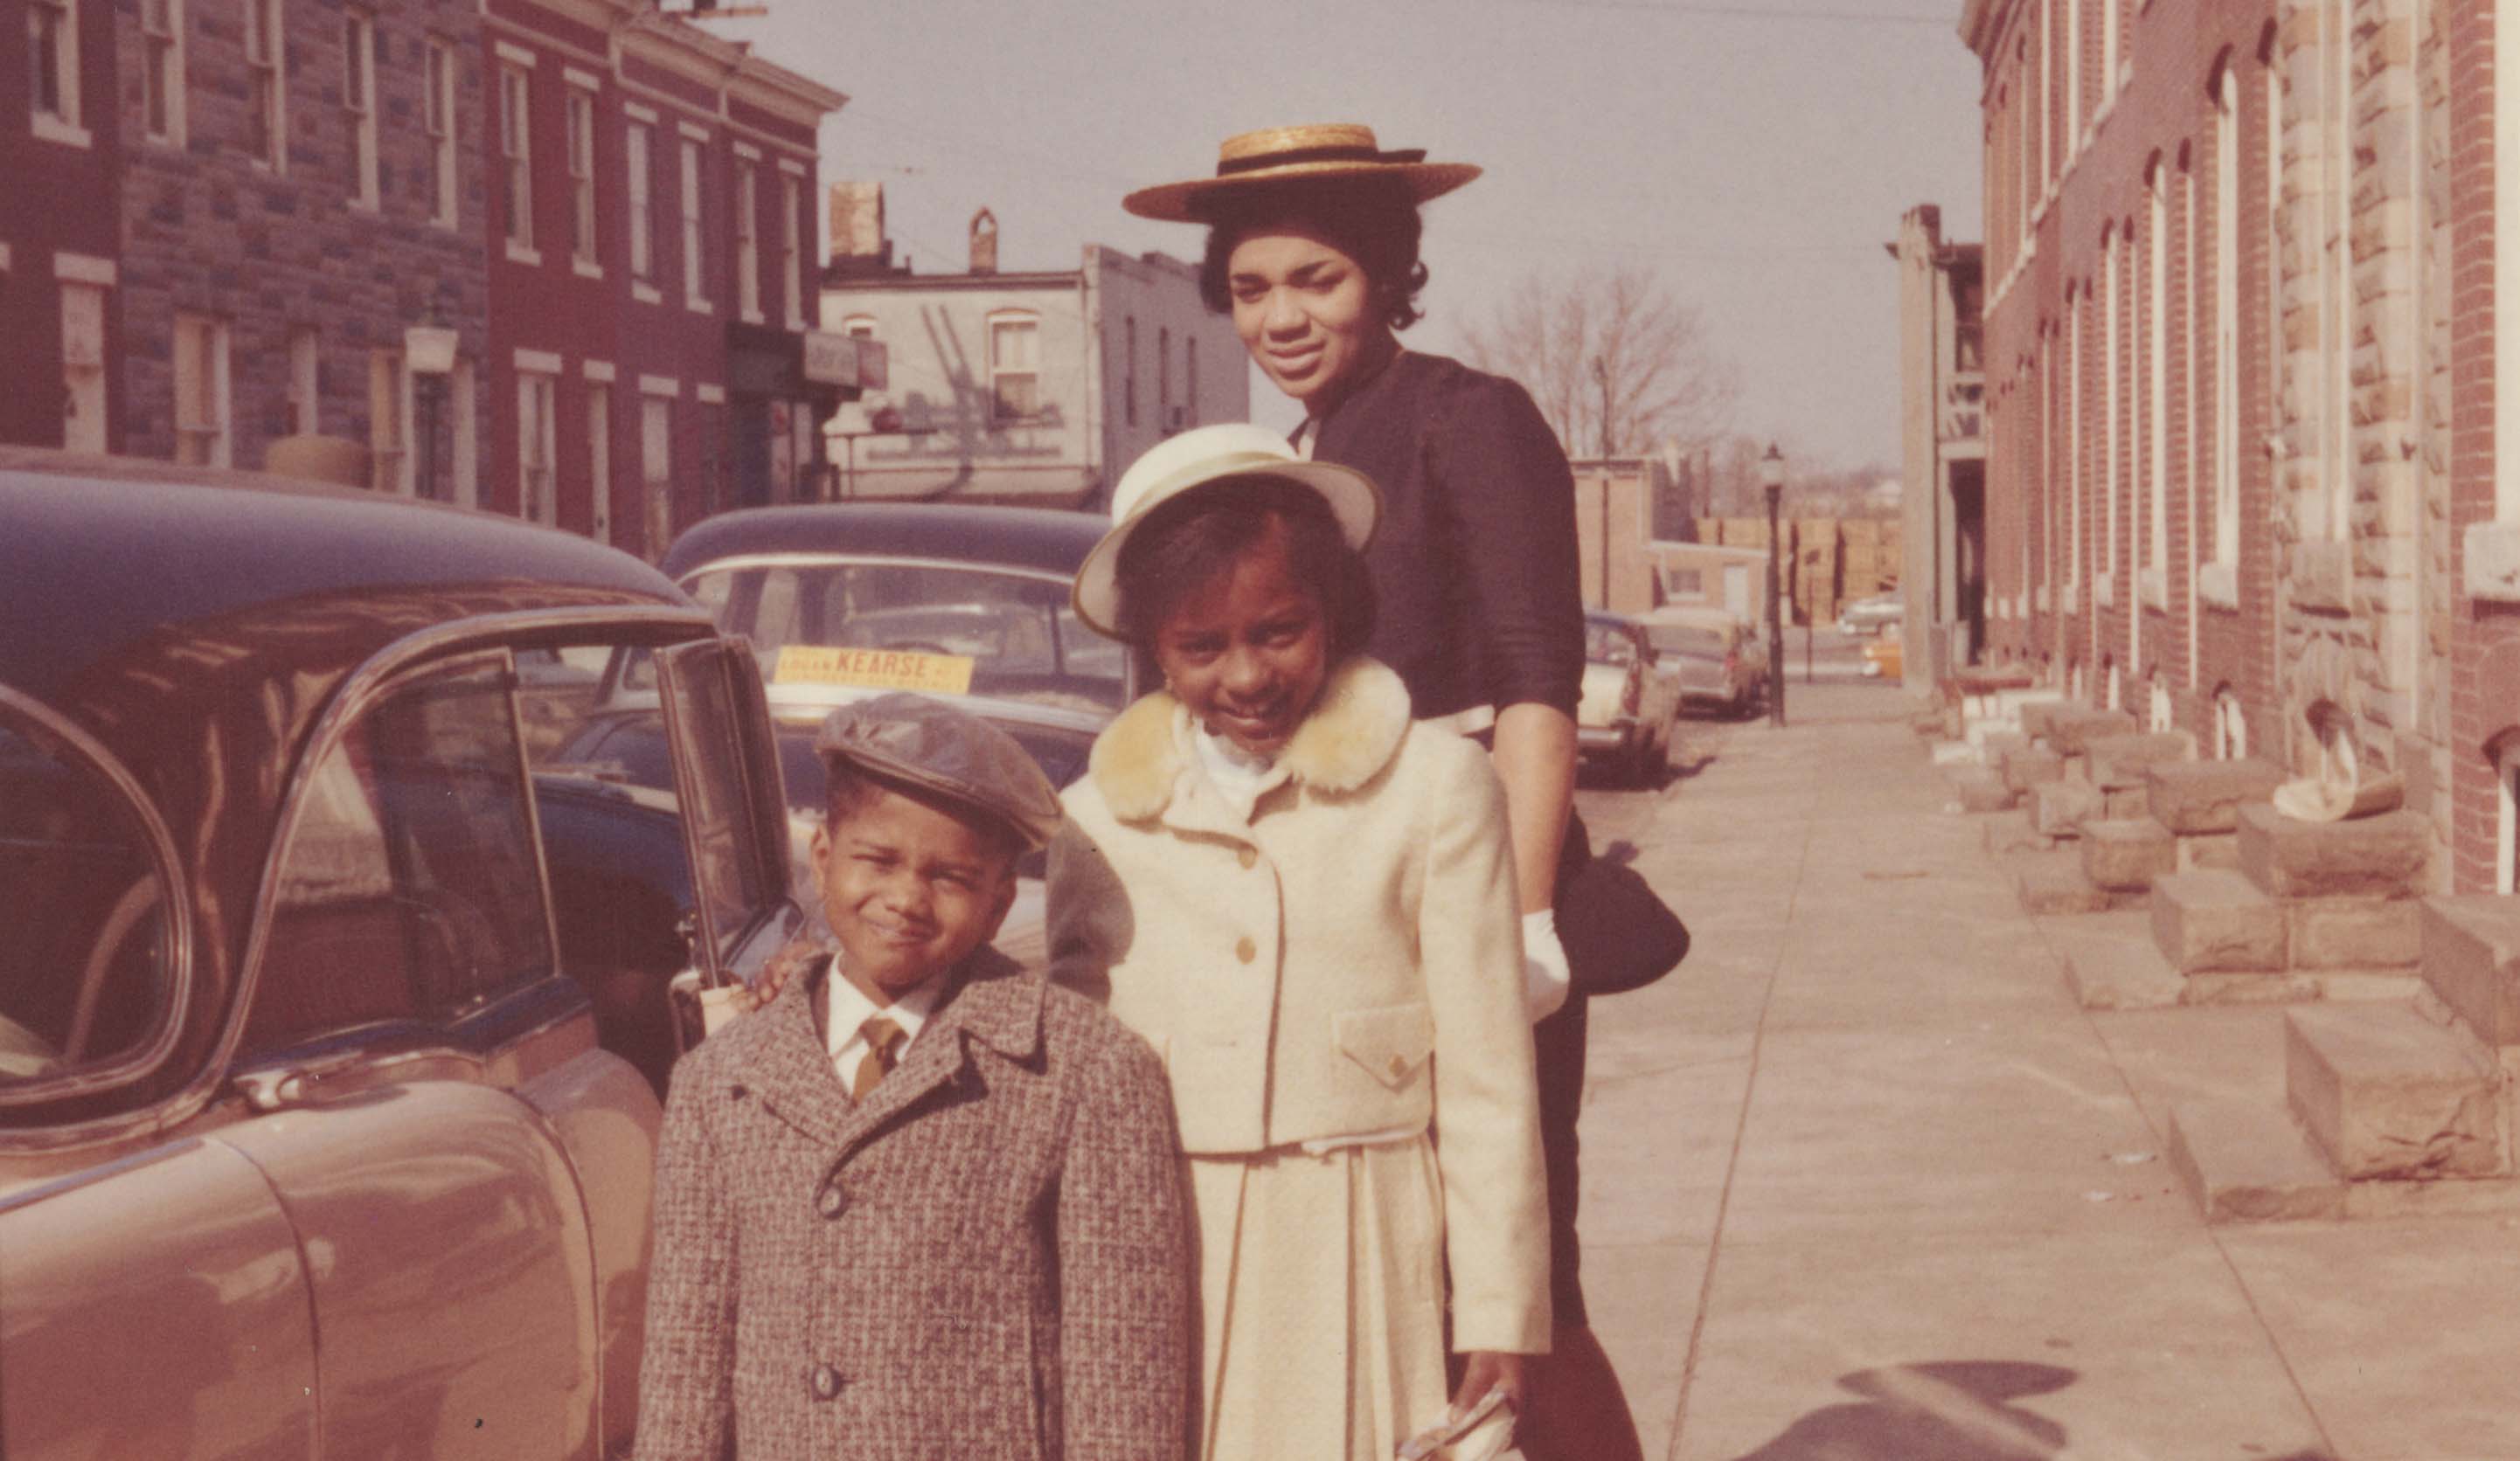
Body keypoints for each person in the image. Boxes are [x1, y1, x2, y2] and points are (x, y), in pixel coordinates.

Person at [1122, 123, 1645, 1461]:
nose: (1282, 317)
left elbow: (1536, 681)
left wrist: (1521, 921)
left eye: (1318, 280)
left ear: (1388, 275)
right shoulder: (1296, 452)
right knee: (1407, 1273)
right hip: (1348, 898)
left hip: (1478, 888)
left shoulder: (1468, 419)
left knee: (1524, 1285)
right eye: (1250, 289)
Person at [1047, 424, 1552, 1461]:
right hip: (1164, 1235)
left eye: (1280, 631)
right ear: (1154, 649)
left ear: (1334, 611)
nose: (1246, 676)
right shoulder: (1095, 816)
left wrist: (1499, 1308)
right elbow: (1060, 1058)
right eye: (1200, 648)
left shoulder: (1434, 787)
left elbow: (1490, 1073)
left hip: (1362, 1222)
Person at [634, 694, 1192, 1461]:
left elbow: (1122, 1366)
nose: (906, 899)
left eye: (952, 878)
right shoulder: (717, 1081)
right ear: (823, 859)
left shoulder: (1087, 1072)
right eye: (878, 860)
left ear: (1000, 905)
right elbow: (684, 1361)